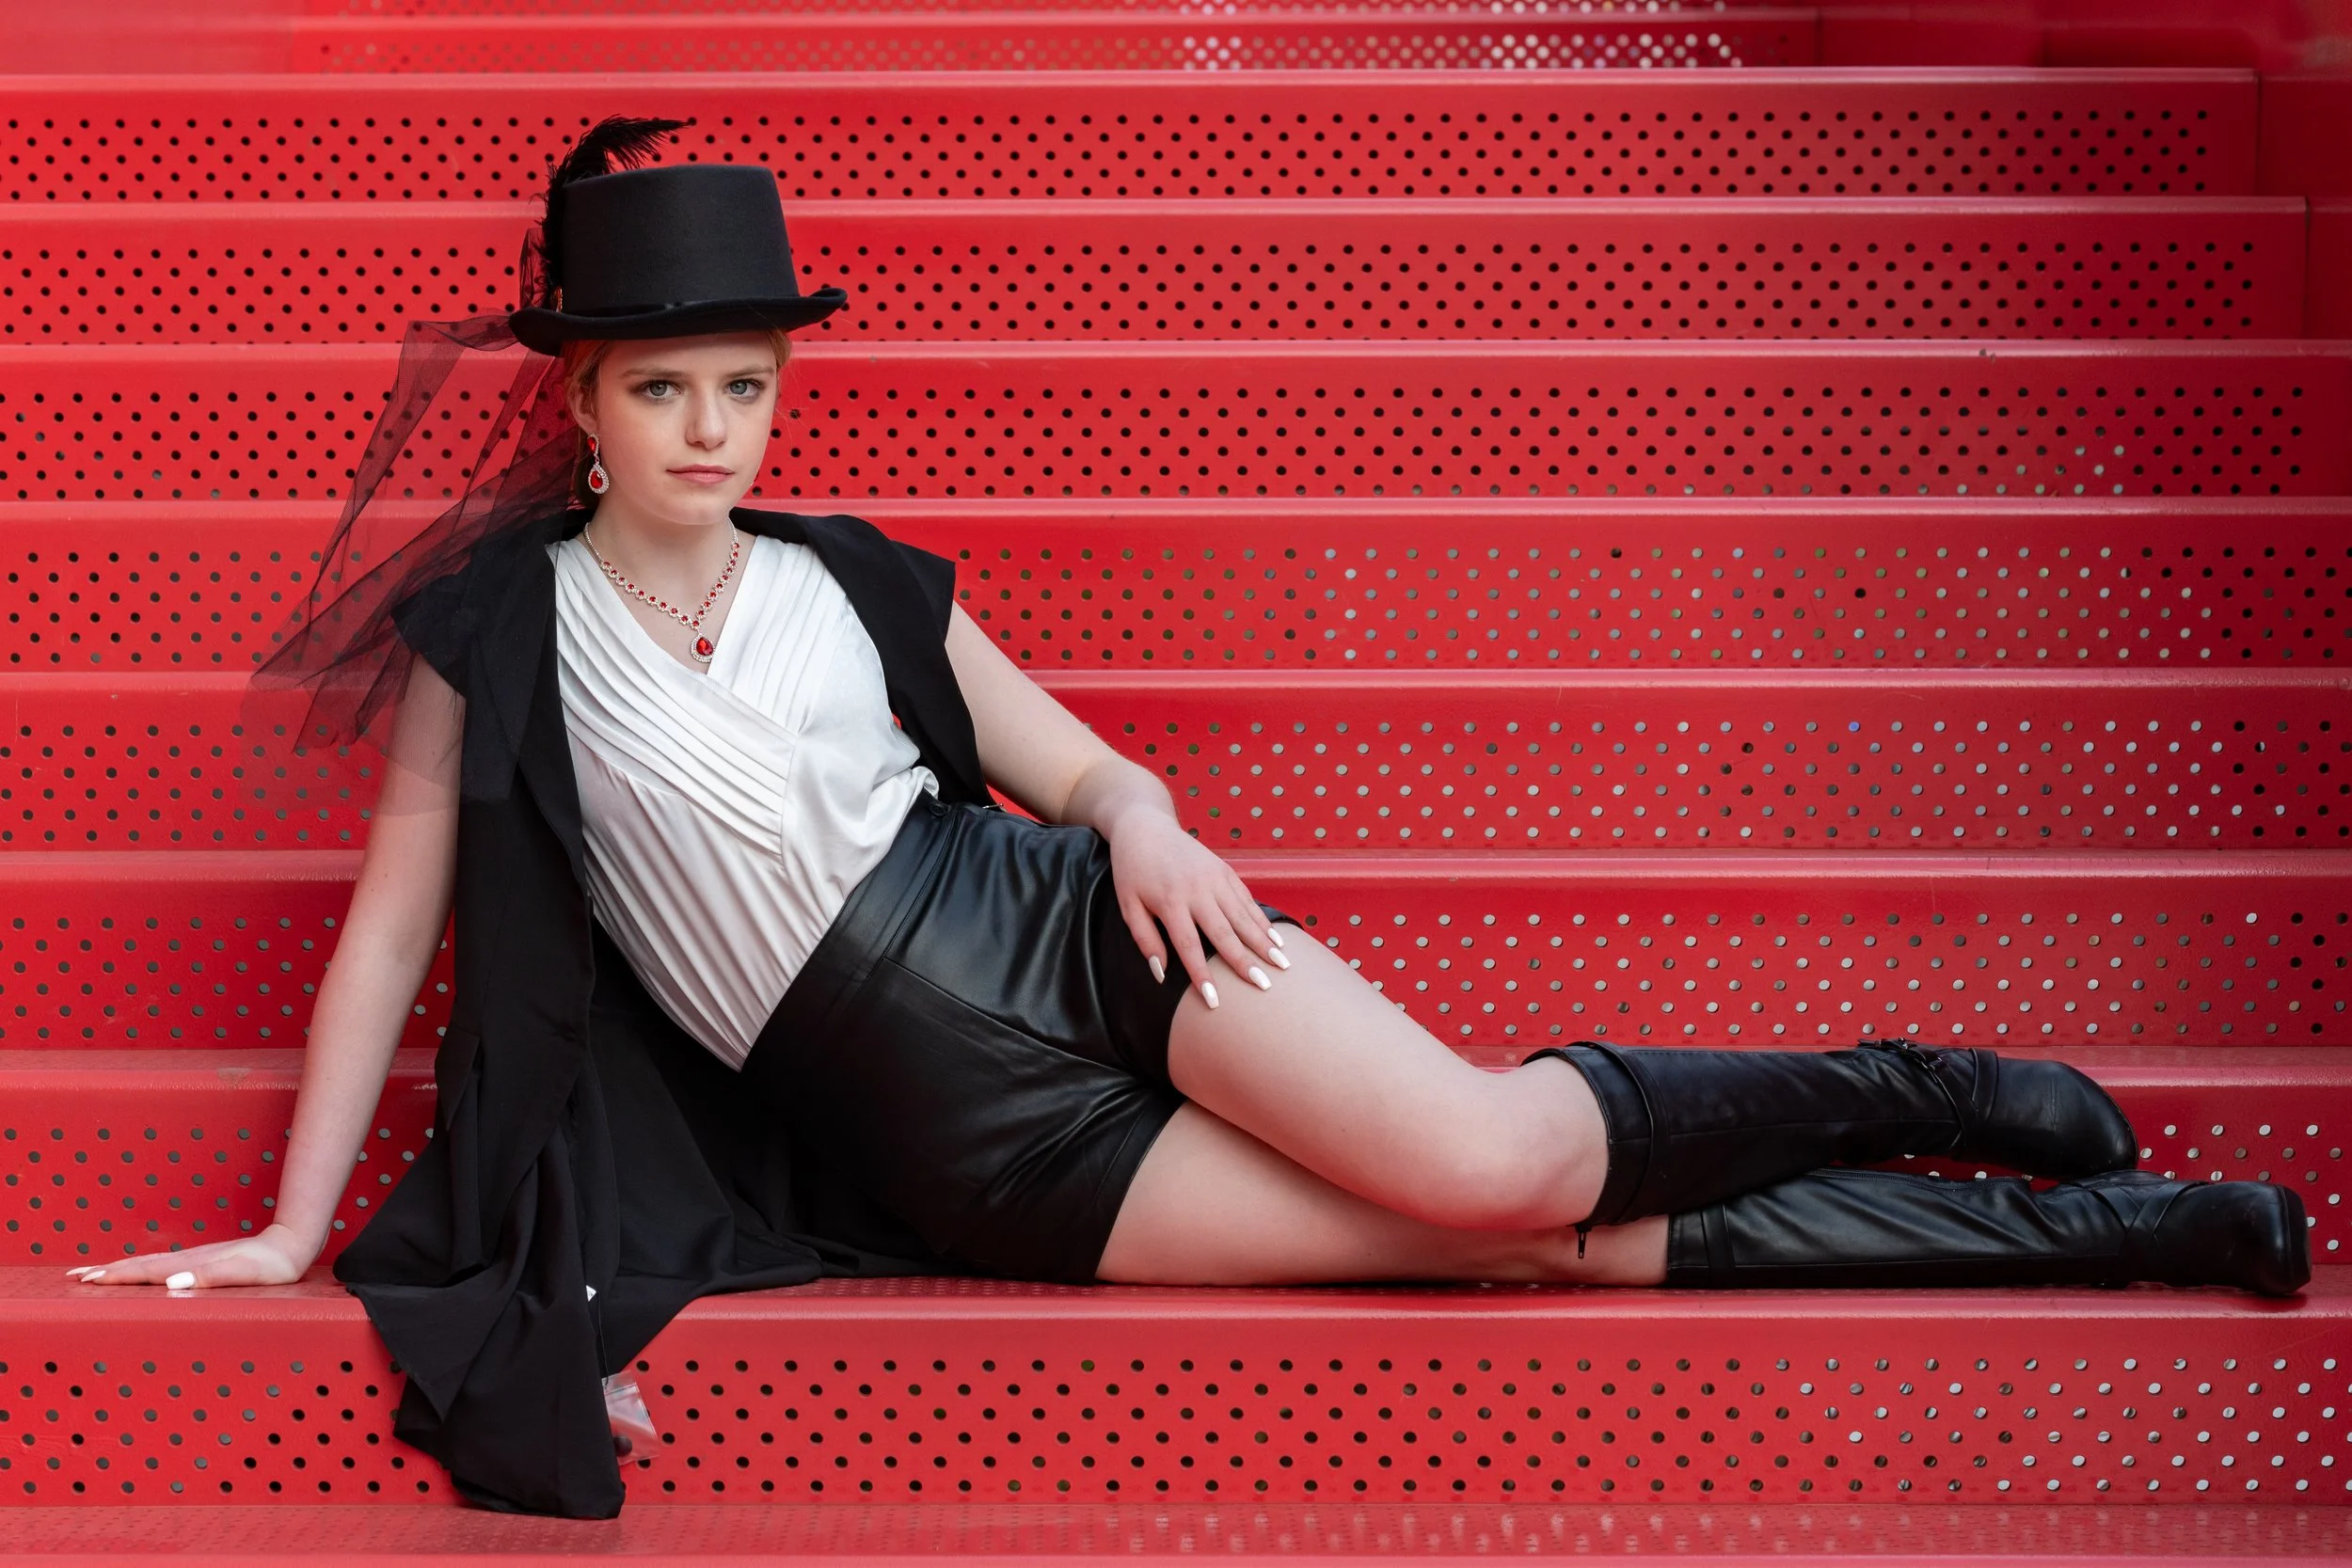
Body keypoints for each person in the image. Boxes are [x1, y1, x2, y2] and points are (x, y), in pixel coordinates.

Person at [63, 120, 2308, 1518]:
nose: (715, 427)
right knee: (1507, 1251)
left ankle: (1927, 1086)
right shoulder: (496, 631)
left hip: (1079, 931)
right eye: (665, 387)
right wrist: (286, 1229)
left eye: (746, 382)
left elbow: (1078, 769)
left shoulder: (853, 578)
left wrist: (1142, 824)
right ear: (579, 394)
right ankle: (2128, 1235)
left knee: (1491, 1160)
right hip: (948, 1128)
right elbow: (394, 938)